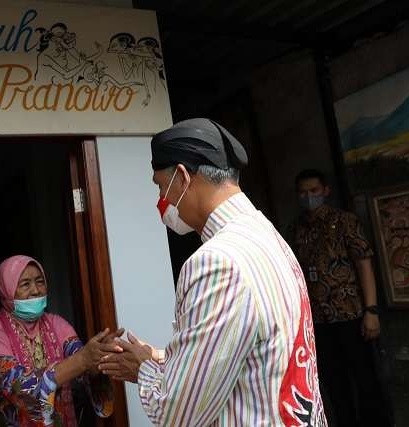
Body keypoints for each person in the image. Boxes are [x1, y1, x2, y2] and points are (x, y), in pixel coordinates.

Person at [98, 118, 327, 426]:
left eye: (161, 186)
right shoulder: (267, 235)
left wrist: (143, 369)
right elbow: (251, 351)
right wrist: (162, 357)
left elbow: (178, 413)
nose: (161, 200)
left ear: (181, 177)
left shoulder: (216, 262)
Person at [290, 169, 392, 426]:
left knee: (365, 378)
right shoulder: (296, 229)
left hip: (351, 314)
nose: (309, 196)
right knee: (334, 383)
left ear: (326, 191)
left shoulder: (344, 221)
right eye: (303, 192)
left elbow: (363, 263)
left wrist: (371, 310)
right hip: (319, 321)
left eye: (314, 190)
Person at [0, 255, 119, 426]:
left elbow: (82, 362)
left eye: (40, 282)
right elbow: (18, 387)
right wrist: (83, 359)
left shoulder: (57, 324)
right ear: (6, 289)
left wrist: (98, 359)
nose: (36, 290)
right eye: (25, 284)